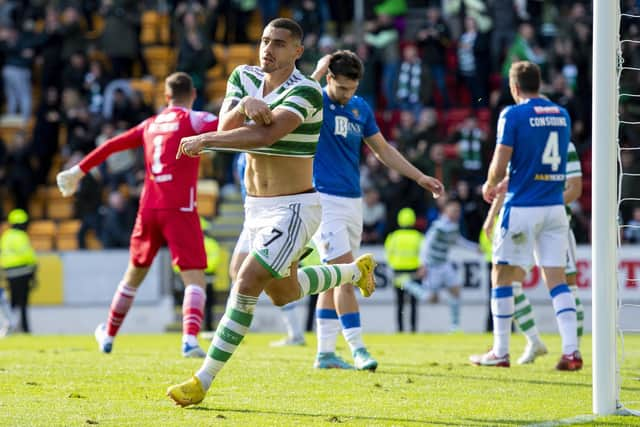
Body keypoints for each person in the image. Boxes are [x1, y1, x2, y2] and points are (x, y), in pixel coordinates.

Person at [166, 18, 377, 407]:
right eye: (265, 41)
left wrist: (205, 140)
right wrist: (245, 105)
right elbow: (229, 123)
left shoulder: (307, 91)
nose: (269, 49)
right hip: (255, 207)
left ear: (298, 52)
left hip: (295, 208)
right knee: (283, 293)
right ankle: (352, 271)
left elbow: (266, 135)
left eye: (279, 44)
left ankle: (202, 380)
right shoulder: (243, 76)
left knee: (246, 281)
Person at [56, 72, 219, 358]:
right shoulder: (196, 120)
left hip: (149, 208)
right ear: (192, 94)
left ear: (166, 97)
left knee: (133, 276)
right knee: (194, 278)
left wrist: (77, 171)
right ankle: (190, 341)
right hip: (179, 206)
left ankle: (108, 334)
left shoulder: (150, 124)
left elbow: (110, 146)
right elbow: (229, 127)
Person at [308, 50, 444, 370]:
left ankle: (325, 353)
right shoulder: (313, 100)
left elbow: (382, 149)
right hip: (322, 200)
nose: (346, 95)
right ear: (329, 78)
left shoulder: (359, 108)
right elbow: (285, 98)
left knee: (333, 278)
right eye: (341, 88)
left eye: (352, 89)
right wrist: (315, 73)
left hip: (352, 201)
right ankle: (358, 348)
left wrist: (419, 176)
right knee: (344, 273)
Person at [469, 61, 581, 371]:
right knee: (557, 280)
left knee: (501, 275)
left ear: (514, 88)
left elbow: (501, 159)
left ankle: (500, 351)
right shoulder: (561, 114)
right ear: (540, 83)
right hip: (555, 208)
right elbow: (541, 160)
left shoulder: (512, 114)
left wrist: (491, 185)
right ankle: (571, 352)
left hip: (523, 208)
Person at [482, 140, 585, 365]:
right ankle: (534, 341)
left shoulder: (564, 143)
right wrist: (491, 217)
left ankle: (572, 348)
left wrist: (545, 203)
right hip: (525, 223)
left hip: (553, 225)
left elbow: (575, 189)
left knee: (567, 285)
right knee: (508, 282)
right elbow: (511, 184)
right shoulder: (524, 143)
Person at [402, 200, 477, 332]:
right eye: (454, 210)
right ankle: (408, 284)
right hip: (432, 266)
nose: (457, 213)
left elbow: (458, 241)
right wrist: (423, 265)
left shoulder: (454, 226)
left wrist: (475, 248)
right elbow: (426, 244)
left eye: (458, 211)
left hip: (444, 264)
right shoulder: (438, 226)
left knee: (456, 291)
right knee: (432, 299)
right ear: (446, 211)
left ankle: (455, 327)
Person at [384, 207, 423, 333]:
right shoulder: (418, 237)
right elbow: (424, 255)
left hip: (398, 272)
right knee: (413, 303)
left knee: (400, 303)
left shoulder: (393, 237)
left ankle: (400, 329)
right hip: (414, 272)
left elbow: (388, 255)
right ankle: (413, 329)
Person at [0, 209, 38, 334]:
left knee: (13, 302)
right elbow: (29, 256)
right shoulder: (21, 236)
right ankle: (24, 328)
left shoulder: (5, 236)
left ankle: (11, 326)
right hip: (23, 272)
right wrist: (34, 271)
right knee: (23, 303)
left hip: (9, 273)